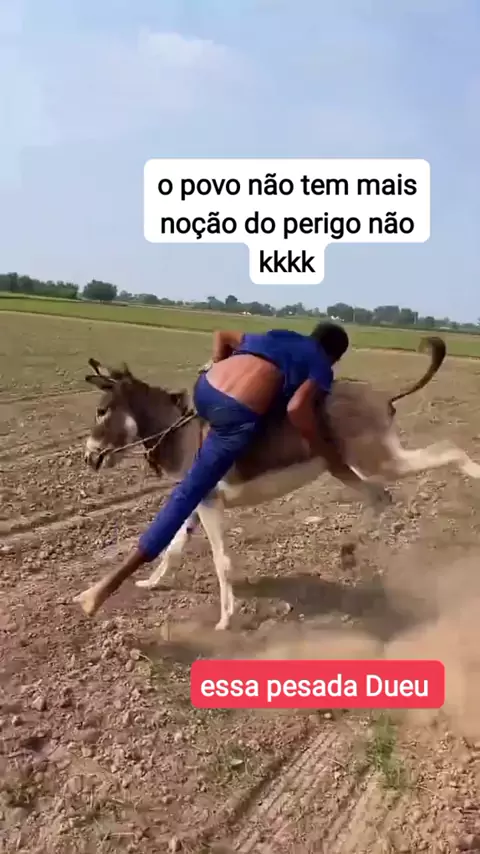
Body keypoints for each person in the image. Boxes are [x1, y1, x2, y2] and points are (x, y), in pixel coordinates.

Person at [114, 321, 361, 578]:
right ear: (334, 356)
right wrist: (321, 446)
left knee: (201, 467)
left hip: (205, 389)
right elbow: (297, 409)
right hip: (235, 413)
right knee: (195, 489)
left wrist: (218, 364)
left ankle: (173, 549)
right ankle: (122, 574)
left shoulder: (279, 337)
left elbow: (222, 334)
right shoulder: (321, 365)